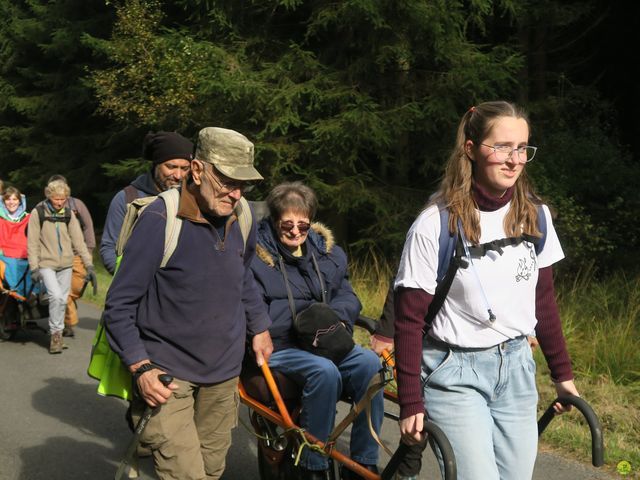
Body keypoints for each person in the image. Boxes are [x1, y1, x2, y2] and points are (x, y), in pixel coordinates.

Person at [393, 101, 579, 480]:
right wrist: (411, 400)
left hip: (516, 368)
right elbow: (409, 320)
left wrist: (563, 375)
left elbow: (544, 304)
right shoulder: (435, 224)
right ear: (472, 149)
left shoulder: (535, 215)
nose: (514, 160)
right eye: (502, 147)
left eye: (522, 148)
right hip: (453, 371)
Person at [102, 126, 273, 479]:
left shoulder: (242, 217)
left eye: (245, 184)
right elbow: (118, 305)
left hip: (224, 376)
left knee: (210, 471)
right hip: (168, 377)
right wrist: (140, 367)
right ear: (197, 170)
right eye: (227, 180)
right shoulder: (160, 219)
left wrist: (260, 327)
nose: (236, 193)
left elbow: (242, 279)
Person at [249, 182, 384, 480]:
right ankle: (313, 465)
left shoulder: (327, 254)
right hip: (279, 347)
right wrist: (302, 319)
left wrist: (332, 319)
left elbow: (347, 296)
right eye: (287, 224)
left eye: (303, 225)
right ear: (274, 221)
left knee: (371, 364)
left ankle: (363, 463)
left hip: (324, 340)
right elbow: (252, 308)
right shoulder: (255, 259)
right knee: (324, 371)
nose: (296, 231)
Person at [99, 131, 193, 274]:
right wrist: (129, 280)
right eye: (171, 167)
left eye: (184, 168)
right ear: (156, 164)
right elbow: (109, 247)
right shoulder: (127, 198)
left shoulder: (194, 200)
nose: (178, 176)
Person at [27, 180, 95, 354]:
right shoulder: (38, 212)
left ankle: (57, 333)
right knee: (56, 297)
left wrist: (89, 266)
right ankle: (55, 334)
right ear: (49, 196)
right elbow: (32, 242)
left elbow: (79, 241)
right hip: (46, 263)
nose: (59, 202)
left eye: (63, 199)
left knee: (62, 300)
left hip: (66, 263)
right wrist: (34, 267)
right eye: (56, 199)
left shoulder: (68, 214)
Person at [42, 175, 96, 337]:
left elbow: (88, 226)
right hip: (55, 256)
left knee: (75, 290)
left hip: (79, 253)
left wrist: (89, 250)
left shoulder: (77, 205)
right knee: (62, 293)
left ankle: (66, 317)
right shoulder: (43, 208)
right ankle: (67, 323)